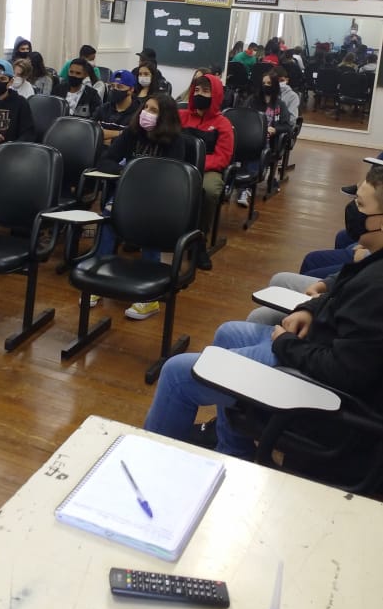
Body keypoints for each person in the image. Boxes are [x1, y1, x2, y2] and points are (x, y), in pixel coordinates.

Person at [144, 165, 383, 457]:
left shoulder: (377, 285)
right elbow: (340, 293)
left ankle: (150, 466)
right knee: (228, 332)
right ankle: (232, 449)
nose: (352, 211)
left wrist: (286, 344)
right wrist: (310, 309)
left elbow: (343, 372)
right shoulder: (373, 262)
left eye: (360, 205)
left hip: (316, 385)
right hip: (314, 346)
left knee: (176, 374)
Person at [92, 93, 187, 319]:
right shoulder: (132, 133)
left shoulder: (175, 141)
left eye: (154, 110)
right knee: (107, 217)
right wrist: (125, 173)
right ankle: (98, 279)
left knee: (150, 226)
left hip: (157, 199)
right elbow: (106, 160)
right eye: (146, 108)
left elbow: (172, 177)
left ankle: (149, 298)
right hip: (128, 194)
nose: (146, 113)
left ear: (165, 117)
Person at [178, 73, 233, 265]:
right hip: (180, 167)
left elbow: (223, 156)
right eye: (197, 90)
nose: (200, 94)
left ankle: (199, 241)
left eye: (206, 91)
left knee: (209, 191)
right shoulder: (181, 116)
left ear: (215, 95)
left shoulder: (223, 124)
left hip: (208, 170)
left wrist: (198, 165)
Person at [238, 69, 290, 206]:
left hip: (269, 142)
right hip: (250, 137)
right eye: (263, 83)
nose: (266, 86)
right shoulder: (252, 100)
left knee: (258, 148)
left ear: (275, 86)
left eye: (269, 83)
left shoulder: (280, 105)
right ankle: (238, 184)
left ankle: (246, 187)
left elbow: (287, 126)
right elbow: (242, 117)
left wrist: (275, 129)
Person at [93, 69, 139, 144]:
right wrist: (121, 133)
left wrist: (104, 138)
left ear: (131, 90)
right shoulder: (102, 109)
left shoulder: (138, 113)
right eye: (112, 86)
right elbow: (92, 132)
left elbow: (131, 141)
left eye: (119, 87)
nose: (114, 89)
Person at [275, 64, 300, 129]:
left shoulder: (293, 96)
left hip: (282, 127)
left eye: (281, 80)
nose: (278, 83)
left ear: (287, 80)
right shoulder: (267, 93)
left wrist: (276, 127)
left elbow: (292, 119)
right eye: (276, 80)